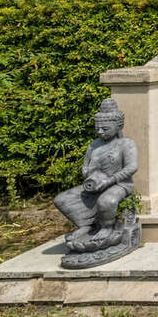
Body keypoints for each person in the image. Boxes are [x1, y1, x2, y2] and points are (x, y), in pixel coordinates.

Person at [54, 98, 138, 252]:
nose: (100, 132)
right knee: (62, 200)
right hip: (95, 183)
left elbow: (132, 167)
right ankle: (86, 225)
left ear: (118, 126)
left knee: (107, 201)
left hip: (119, 184)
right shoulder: (94, 145)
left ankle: (106, 227)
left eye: (105, 129)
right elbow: (85, 166)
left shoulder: (126, 144)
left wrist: (109, 181)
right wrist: (88, 173)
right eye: (98, 128)